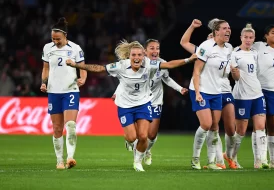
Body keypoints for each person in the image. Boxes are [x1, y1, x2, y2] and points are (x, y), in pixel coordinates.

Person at [66, 40, 197, 172]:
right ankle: (130, 143)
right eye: (134, 55)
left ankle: (137, 161)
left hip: (144, 104)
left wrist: (188, 60)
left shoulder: (150, 64)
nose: (137, 58)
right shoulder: (121, 66)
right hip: (125, 105)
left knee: (143, 136)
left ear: (143, 56)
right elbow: (99, 68)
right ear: (129, 56)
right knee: (131, 138)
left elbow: (169, 65)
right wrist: (76, 65)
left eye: (139, 55)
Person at [180, 19, 237, 169]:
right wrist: (197, 93)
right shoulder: (206, 47)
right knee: (206, 124)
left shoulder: (228, 49)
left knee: (214, 127)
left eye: (229, 28)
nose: (228, 30)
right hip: (201, 89)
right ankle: (195, 159)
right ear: (216, 32)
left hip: (216, 91)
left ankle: (212, 162)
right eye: (224, 28)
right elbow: (196, 71)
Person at [40, 17, 87, 169]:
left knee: (71, 125)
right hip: (54, 91)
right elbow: (46, 68)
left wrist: (83, 78)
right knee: (57, 128)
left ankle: (70, 158)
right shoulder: (48, 48)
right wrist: (44, 83)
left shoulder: (75, 48)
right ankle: (59, 161)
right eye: (53, 38)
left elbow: (82, 66)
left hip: (70, 90)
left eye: (58, 39)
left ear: (65, 35)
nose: (55, 41)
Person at [230, 23, 269, 169]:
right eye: (245, 37)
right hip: (241, 96)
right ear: (241, 37)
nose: (248, 39)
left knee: (260, 127)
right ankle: (232, 158)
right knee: (240, 131)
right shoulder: (235, 53)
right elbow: (235, 77)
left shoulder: (255, 53)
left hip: (257, 94)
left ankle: (259, 160)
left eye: (250, 37)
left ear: (254, 39)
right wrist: (235, 74)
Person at [251, 25, 274, 169]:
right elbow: (243, 50)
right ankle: (259, 159)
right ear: (266, 35)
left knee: (273, 127)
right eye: (273, 33)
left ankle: (273, 161)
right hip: (258, 90)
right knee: (258, 126)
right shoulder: (258, 46)